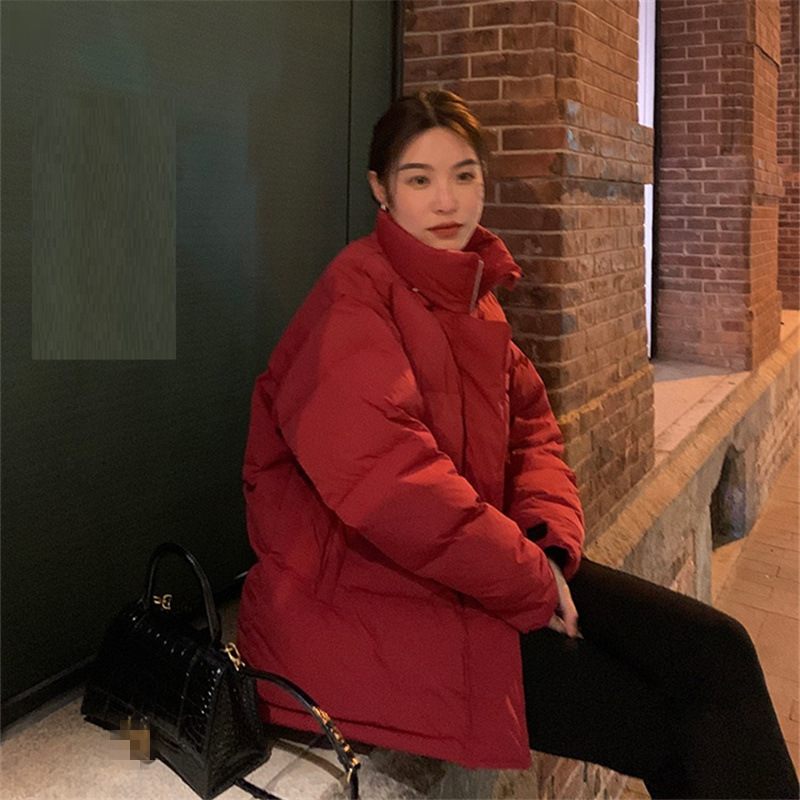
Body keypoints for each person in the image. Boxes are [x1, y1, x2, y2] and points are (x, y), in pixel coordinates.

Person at [237, 91, 799, 799]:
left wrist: (546, 542)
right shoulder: (354, 301)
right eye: (419, 178)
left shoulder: (467, 291)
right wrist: (531, 582)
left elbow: (533, 429)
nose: (447, 199)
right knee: (662, 726)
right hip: (362, 602)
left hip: (474, 568)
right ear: (381, 189)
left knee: (718, 651)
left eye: (464, 174)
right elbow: (395, 488)